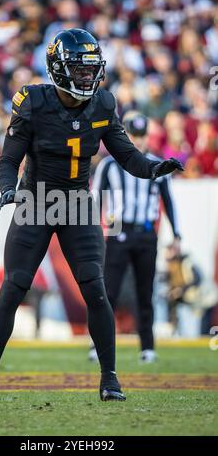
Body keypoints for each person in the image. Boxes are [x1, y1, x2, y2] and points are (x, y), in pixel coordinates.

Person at [0, 28, 183, 403]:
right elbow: (9, 158)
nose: (87, 76)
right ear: (57, 67)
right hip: (37, 200)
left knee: (96, 290)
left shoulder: (103, 104)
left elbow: (126, 155)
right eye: (79, 69)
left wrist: (152, 169)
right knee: (14, 287)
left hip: (77, 204)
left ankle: (110, 379)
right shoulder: (32, 101)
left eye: (90, 69)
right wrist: (8, 187)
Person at [90, 110, 182, 363]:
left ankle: (147, 347)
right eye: (134, 135)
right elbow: (97, 200)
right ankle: (97, 344)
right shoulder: (109, 164)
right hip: (119, 229)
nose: (138, 140)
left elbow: (168, 201)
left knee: (145, 292)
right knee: (108, 291)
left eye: (142, 135)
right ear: (125, 135)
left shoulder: (157, 163)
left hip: (145, 233)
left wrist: (176, 234)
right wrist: (95, 231)